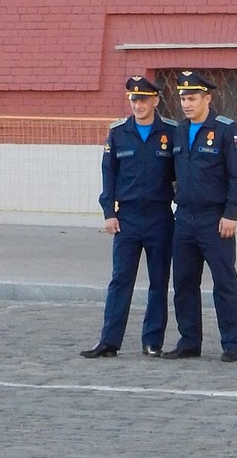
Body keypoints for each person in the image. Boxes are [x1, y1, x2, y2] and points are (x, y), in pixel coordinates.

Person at [80, 75, 177, 358]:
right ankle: (109, 340)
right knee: (121, 280)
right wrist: (109, 212)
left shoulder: (171, 133)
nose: (138, 105)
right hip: (128, 218)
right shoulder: (119, 132)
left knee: (159, 281)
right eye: (134, 100)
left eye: (144, 99)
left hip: (160, 218)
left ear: (156, 101)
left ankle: (152, 341)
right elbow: (108, 173)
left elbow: (182, 173)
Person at [162, 71, 237, 363]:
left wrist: (231, 213)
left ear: (207, 98)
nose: (186, 104)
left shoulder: (228, 130)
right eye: (183, 98)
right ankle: (189, 341)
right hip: (184, 218)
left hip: (215, 220)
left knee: (224, 282)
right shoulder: (178, 131)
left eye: (192, 98)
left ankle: (232, 343)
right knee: (184, 283)